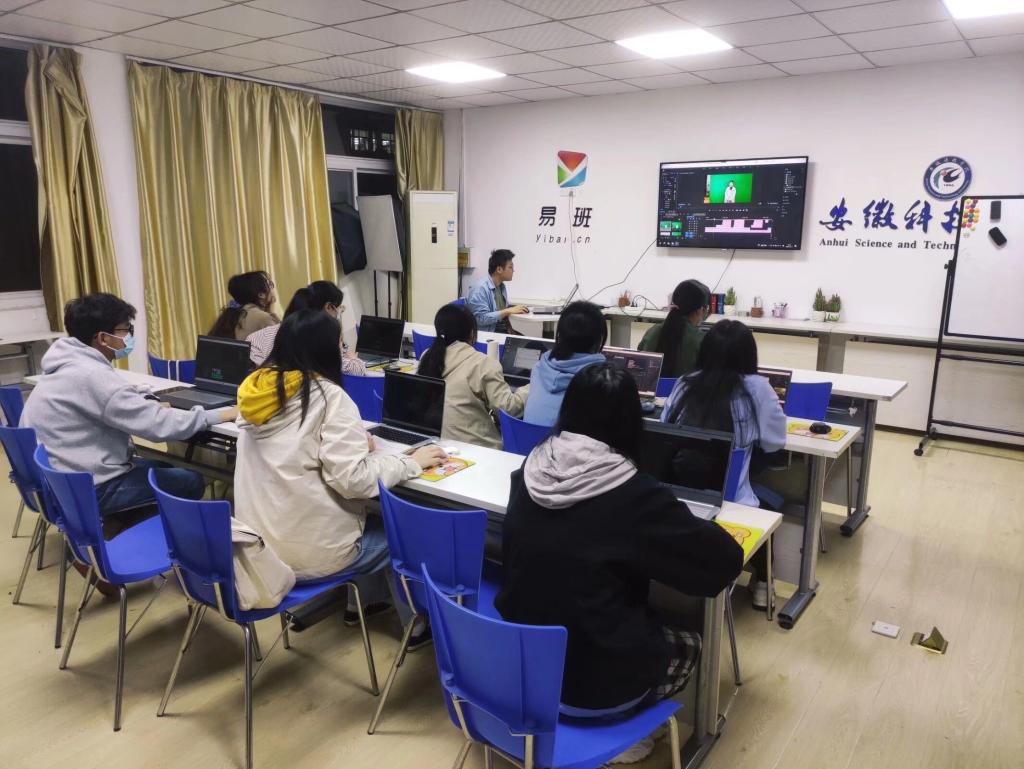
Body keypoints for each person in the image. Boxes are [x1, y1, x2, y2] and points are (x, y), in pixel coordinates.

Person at [496, 363, 742, 762]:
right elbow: (724, 562)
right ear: (632, 423)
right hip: (597, 692)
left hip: (527, 672)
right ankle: (631, 732)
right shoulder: (635, 495)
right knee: (690, 640)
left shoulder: (530, 468)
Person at [233, 309, 446, 582]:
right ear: (325, 350)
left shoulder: (258, 393)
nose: (343, 352)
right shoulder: (329, 397)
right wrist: (411, 462)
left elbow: (300, 448)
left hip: (259, 551)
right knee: (407, 531)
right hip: (309, 557)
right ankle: (401, 609)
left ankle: (359, 601)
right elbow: (353, 481)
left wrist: (355, 443)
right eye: (340, 345)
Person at [21, 293, 236, 519]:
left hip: (63, 481)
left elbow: (111, 397)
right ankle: (136, 528)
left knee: (166, 467)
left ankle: (126, 522)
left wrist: (141, 401)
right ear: (103, 338)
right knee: (190, 481)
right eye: (125, 330)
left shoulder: (68, 362)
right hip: (89, 489)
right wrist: (221, 414)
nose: (129, 336)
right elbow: (159, 427)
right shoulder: (92, 375)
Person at [661, 319, 786, 609]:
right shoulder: (757, 388)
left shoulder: (684, 383)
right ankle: (763, 584)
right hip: (730, 501)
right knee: (761, 500)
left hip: (677, 494)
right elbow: (775, 442)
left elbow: (666, 430)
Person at [417, 303, 528, 450]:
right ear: (471, 333)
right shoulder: (483, 363)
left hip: (435, 445)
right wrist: (531, 387)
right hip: (476, 449)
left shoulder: (427, 357)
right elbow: (508, 409)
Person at [247, 280, 367, 375]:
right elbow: (354, 370)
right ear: (328, 307)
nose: (339, 313)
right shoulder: (320, 339)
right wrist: (353, 359)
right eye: (340, 308)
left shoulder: (255, 337)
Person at [523, 300, 606, 426]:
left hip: (527, 438)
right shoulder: (600, 379)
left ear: (560, 335)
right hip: (565, 439)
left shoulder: (539, 367)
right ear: (598, 340)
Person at [638, 279, 710, 379]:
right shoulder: (701, 340)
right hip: (684, 389)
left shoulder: (652, 331)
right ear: (701, 310)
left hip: (651, 388)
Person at [466, 249, 527, 333]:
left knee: (529, 340)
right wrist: (508, 311)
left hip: (503, 330)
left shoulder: (501, 286)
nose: (513, 270)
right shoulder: (480, 289)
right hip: (489, 334)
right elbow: (480, 318)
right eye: (510, 267)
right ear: (499, 269)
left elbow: (502, 314)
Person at [208, 270, 279, 340]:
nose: (273, 288)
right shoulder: (263, 318)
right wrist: (271, 313)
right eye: (270, 284)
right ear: (261, 294)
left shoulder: (235, 314)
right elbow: (281, 343)